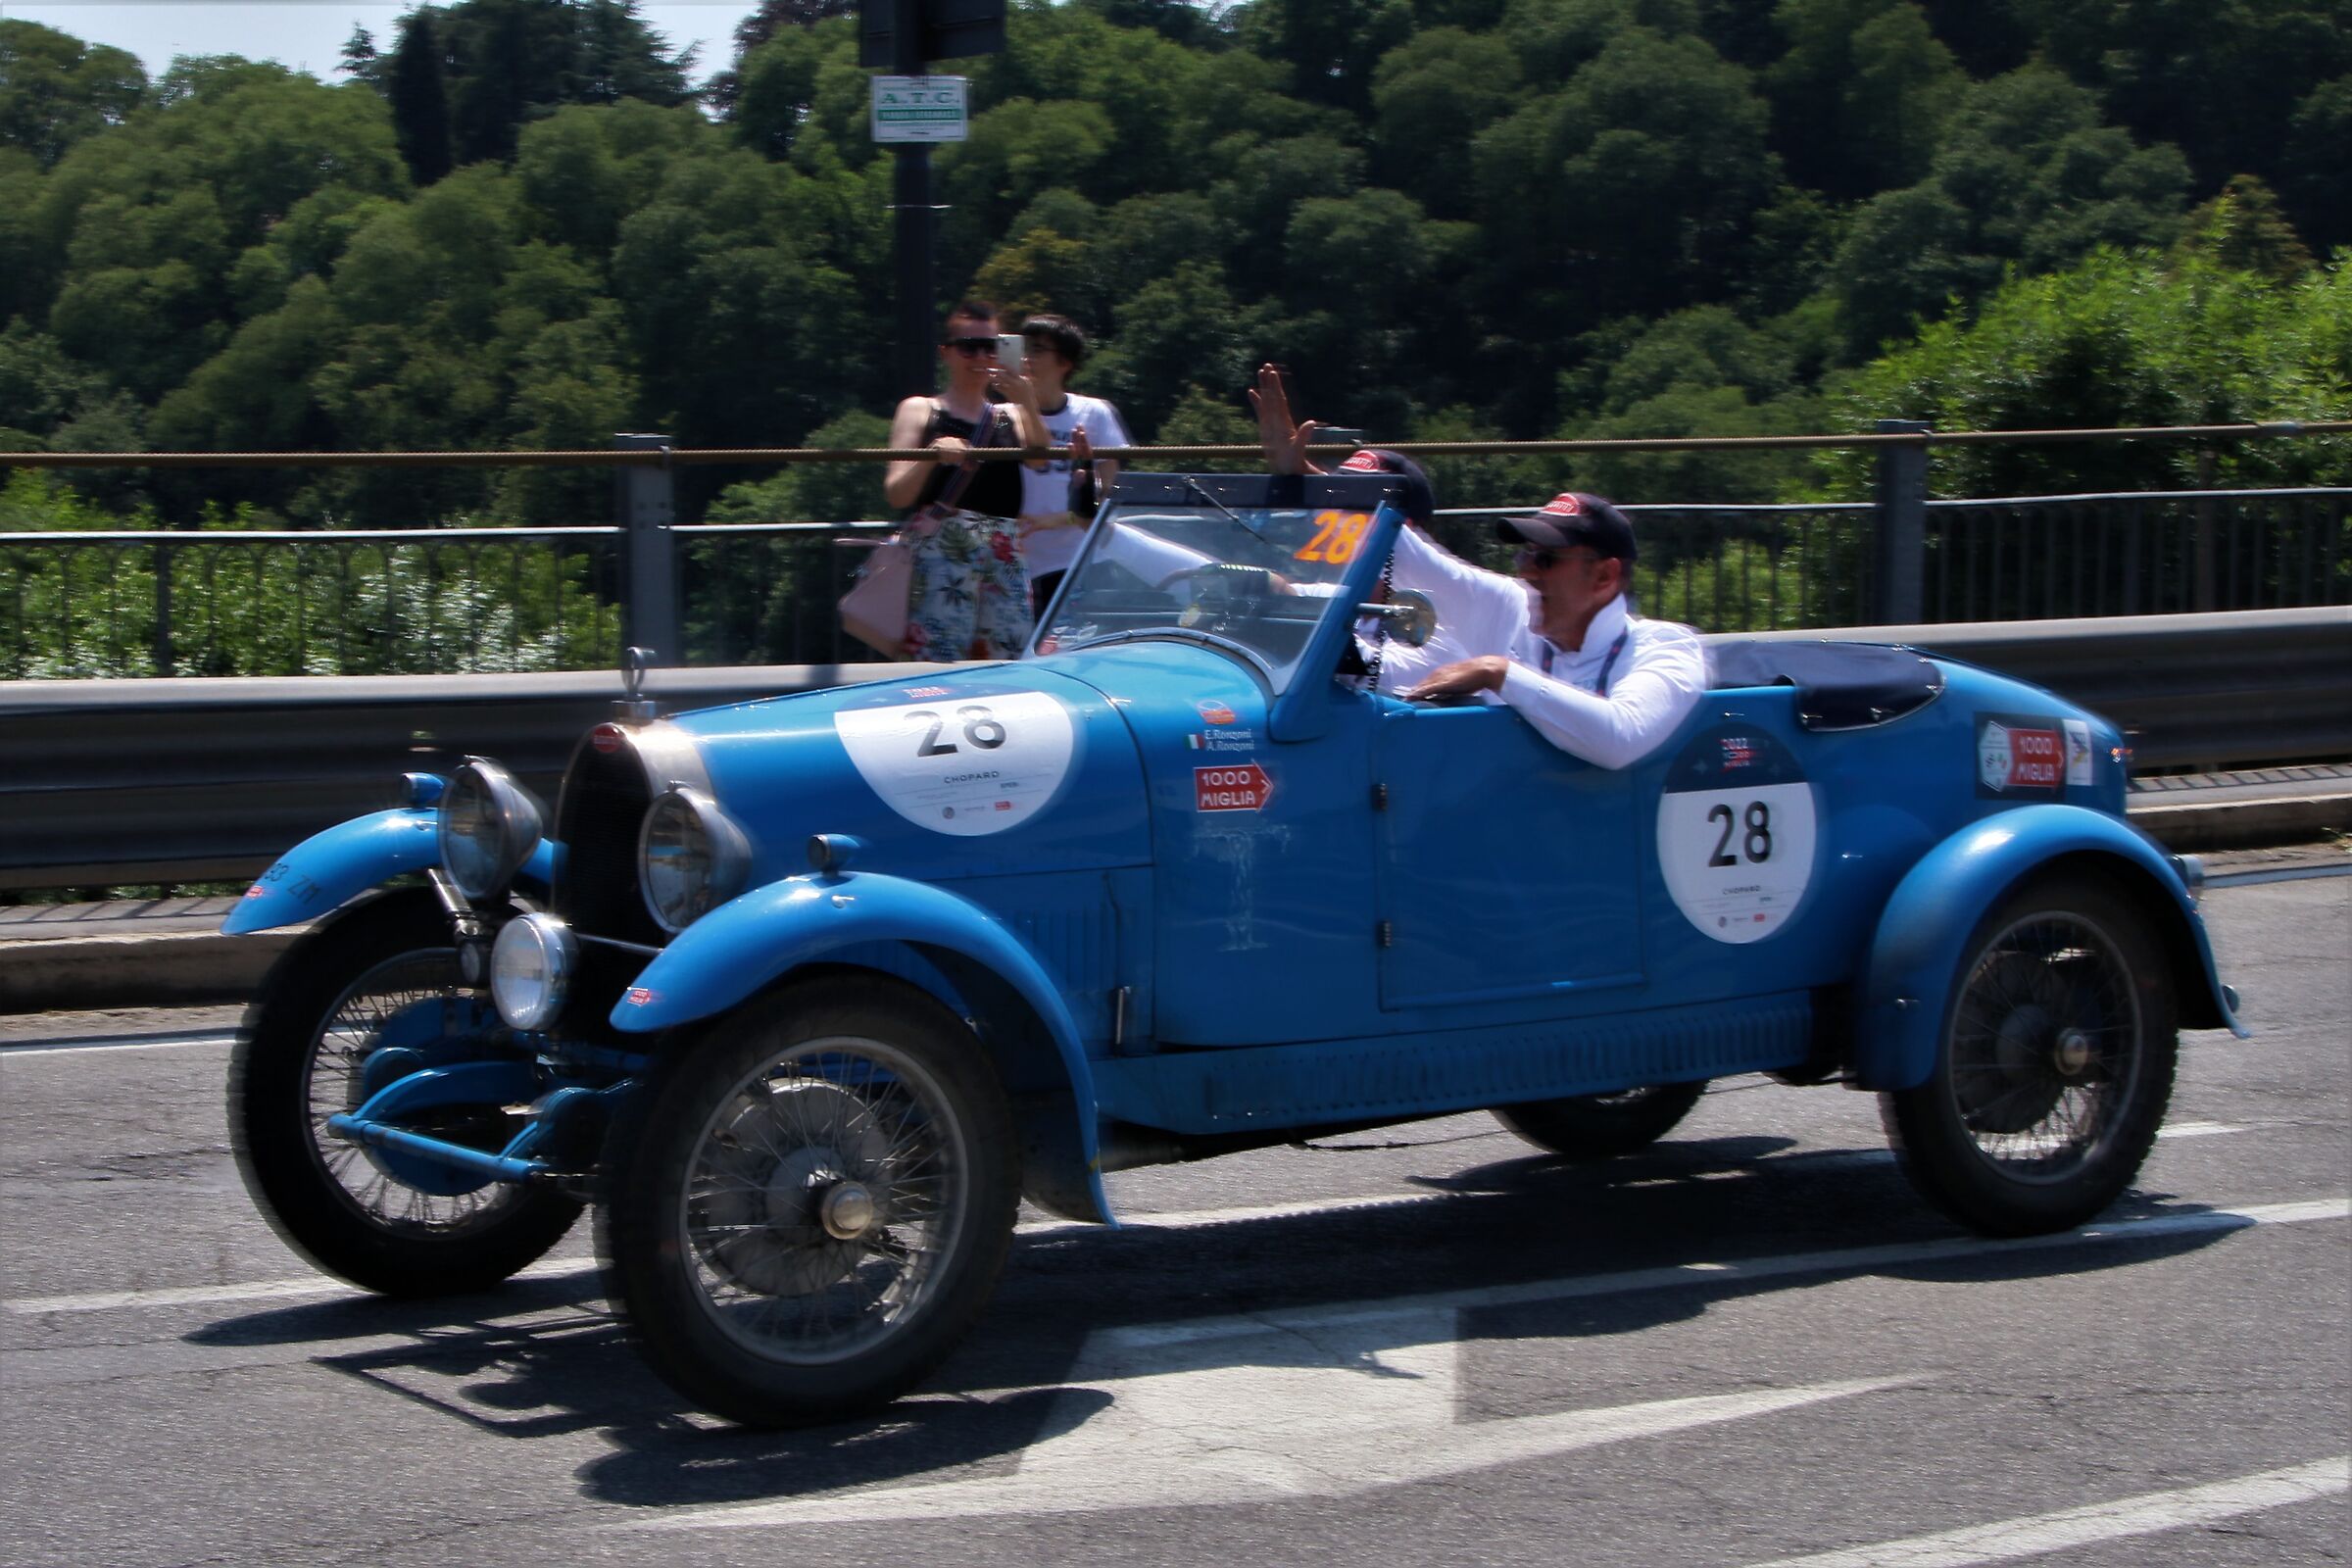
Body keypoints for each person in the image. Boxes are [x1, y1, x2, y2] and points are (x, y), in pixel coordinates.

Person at [1250, 364, 1705, 769]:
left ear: (1605, 576)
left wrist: (1500, 672)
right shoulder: (1514, 606)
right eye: (1525, 556)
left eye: (1546, 559)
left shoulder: (1667, 647)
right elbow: (1406, 550)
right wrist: (1301, 477)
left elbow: (1620, 739)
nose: (1528, 572)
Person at [881, 301, 1051, 661]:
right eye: (969, 347)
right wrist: (931, 455)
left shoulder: (1011, 414)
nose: (980, 357)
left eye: (990, 347)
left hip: (1004, 546)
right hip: (943, 544)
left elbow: (1039, 457)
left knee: (1009, 653)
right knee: (936, 655)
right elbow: (897, 493)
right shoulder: (922, 409)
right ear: (947, 353)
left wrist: (1027, 400)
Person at [1013, 314, 1132, 616]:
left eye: (1037, 350)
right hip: (1013, 561)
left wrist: (1061, 518)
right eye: (1022, 347)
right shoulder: (1001, 414)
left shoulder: (1093, 412)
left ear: (1064, 363)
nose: (1025, 357)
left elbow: (1111, 494)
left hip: (1077, 562)